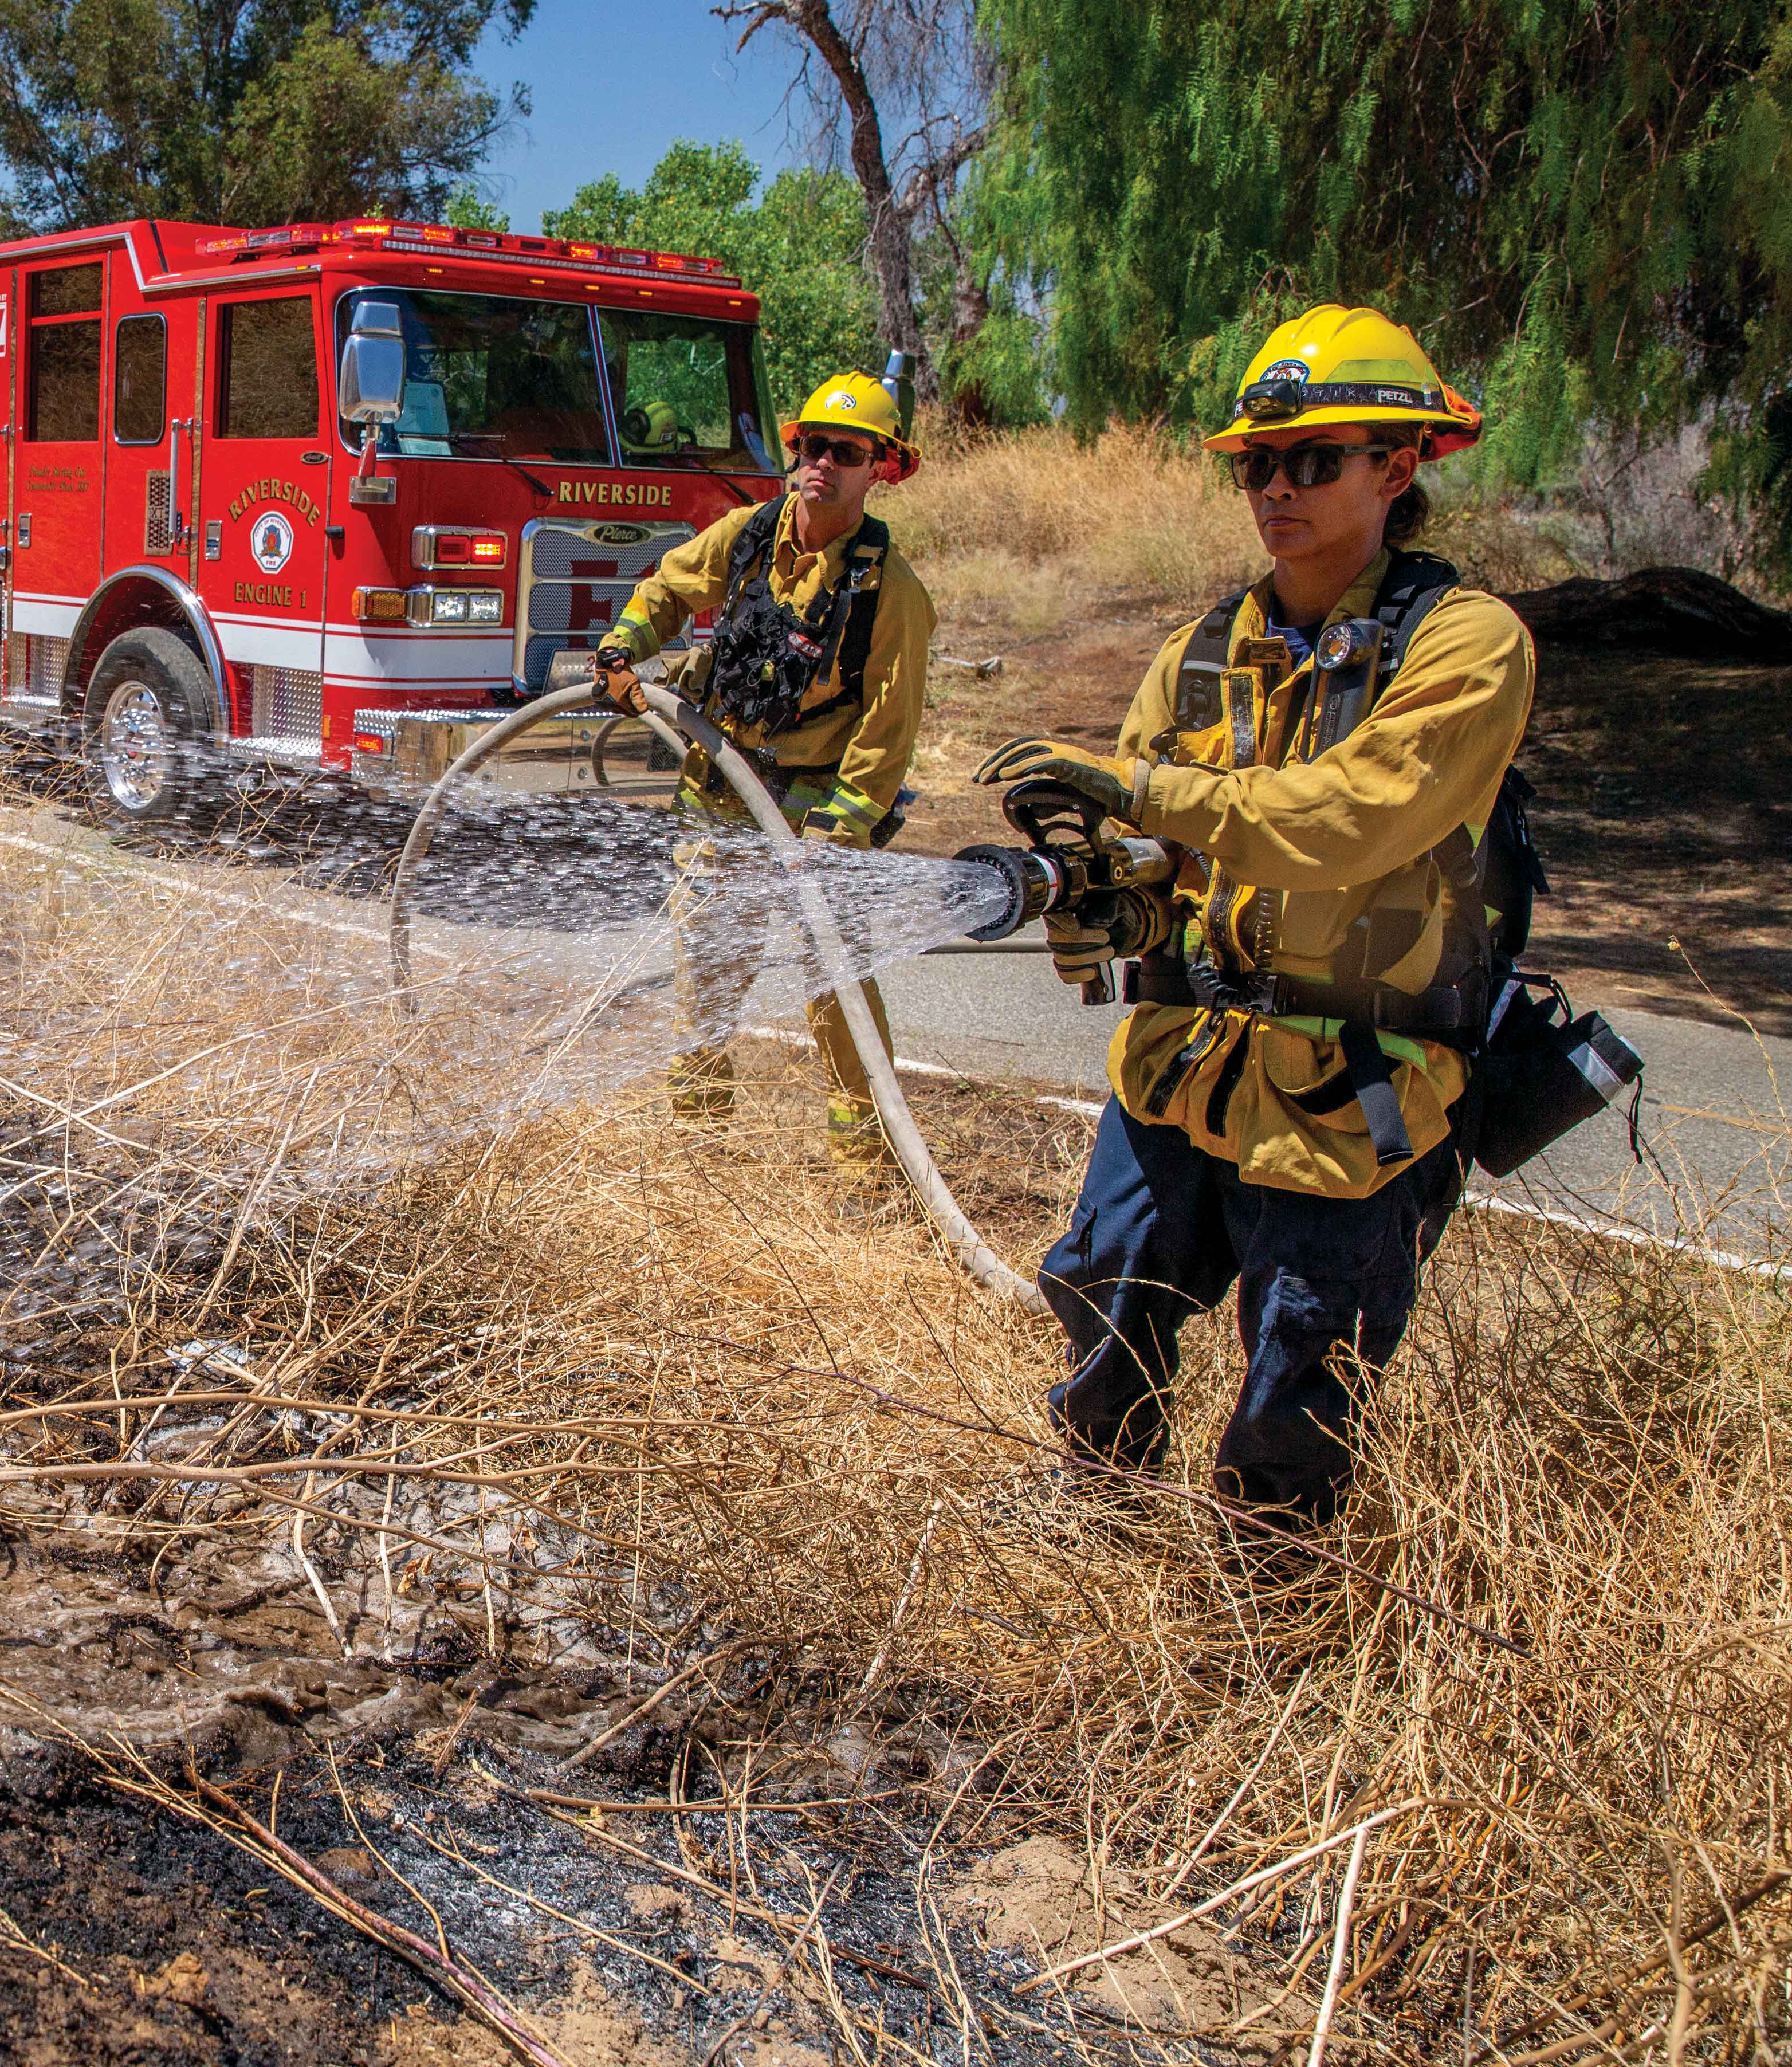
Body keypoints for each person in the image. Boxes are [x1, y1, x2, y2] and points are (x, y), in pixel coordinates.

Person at [972, 303, 1532, 1547]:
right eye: (1255, 463)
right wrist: (1096, 897)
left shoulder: (1470, 645)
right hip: (1184, 1072)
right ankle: (1098, 1528)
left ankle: (1268, 1620)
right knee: (1106, 1301)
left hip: (1355, 1097)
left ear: (1399, 467)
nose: (1274, 487)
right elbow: (1155, 858)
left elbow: (1355, 818)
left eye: (1311, 460)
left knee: (1299, 1385)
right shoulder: (1200, 652)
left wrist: (1151, 796)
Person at [592, 370, 935, 1166]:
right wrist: (623, 649)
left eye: (846, 452)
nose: (823, 464)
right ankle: (699, 1145)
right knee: (705, 968)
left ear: (882, 466)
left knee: (835, 976)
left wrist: (836, 834)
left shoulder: (892, 593)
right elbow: (670, 590)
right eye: (813, 446)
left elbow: (887, 732)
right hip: (720, 785)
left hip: (814, 805)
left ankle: (865, 1155)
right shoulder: (749, 533)